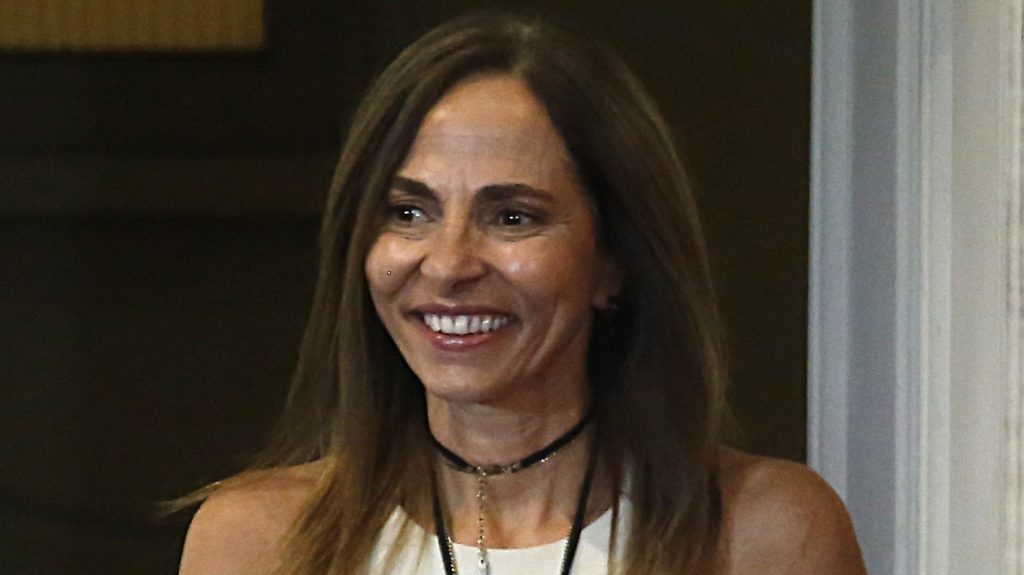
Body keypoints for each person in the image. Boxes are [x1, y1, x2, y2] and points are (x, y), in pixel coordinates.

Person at [178, 11, 867, 575]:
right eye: (409, 212)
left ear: (615, 260)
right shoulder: (257, 541)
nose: (448, 264)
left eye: (512, 217)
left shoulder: (765, 533)